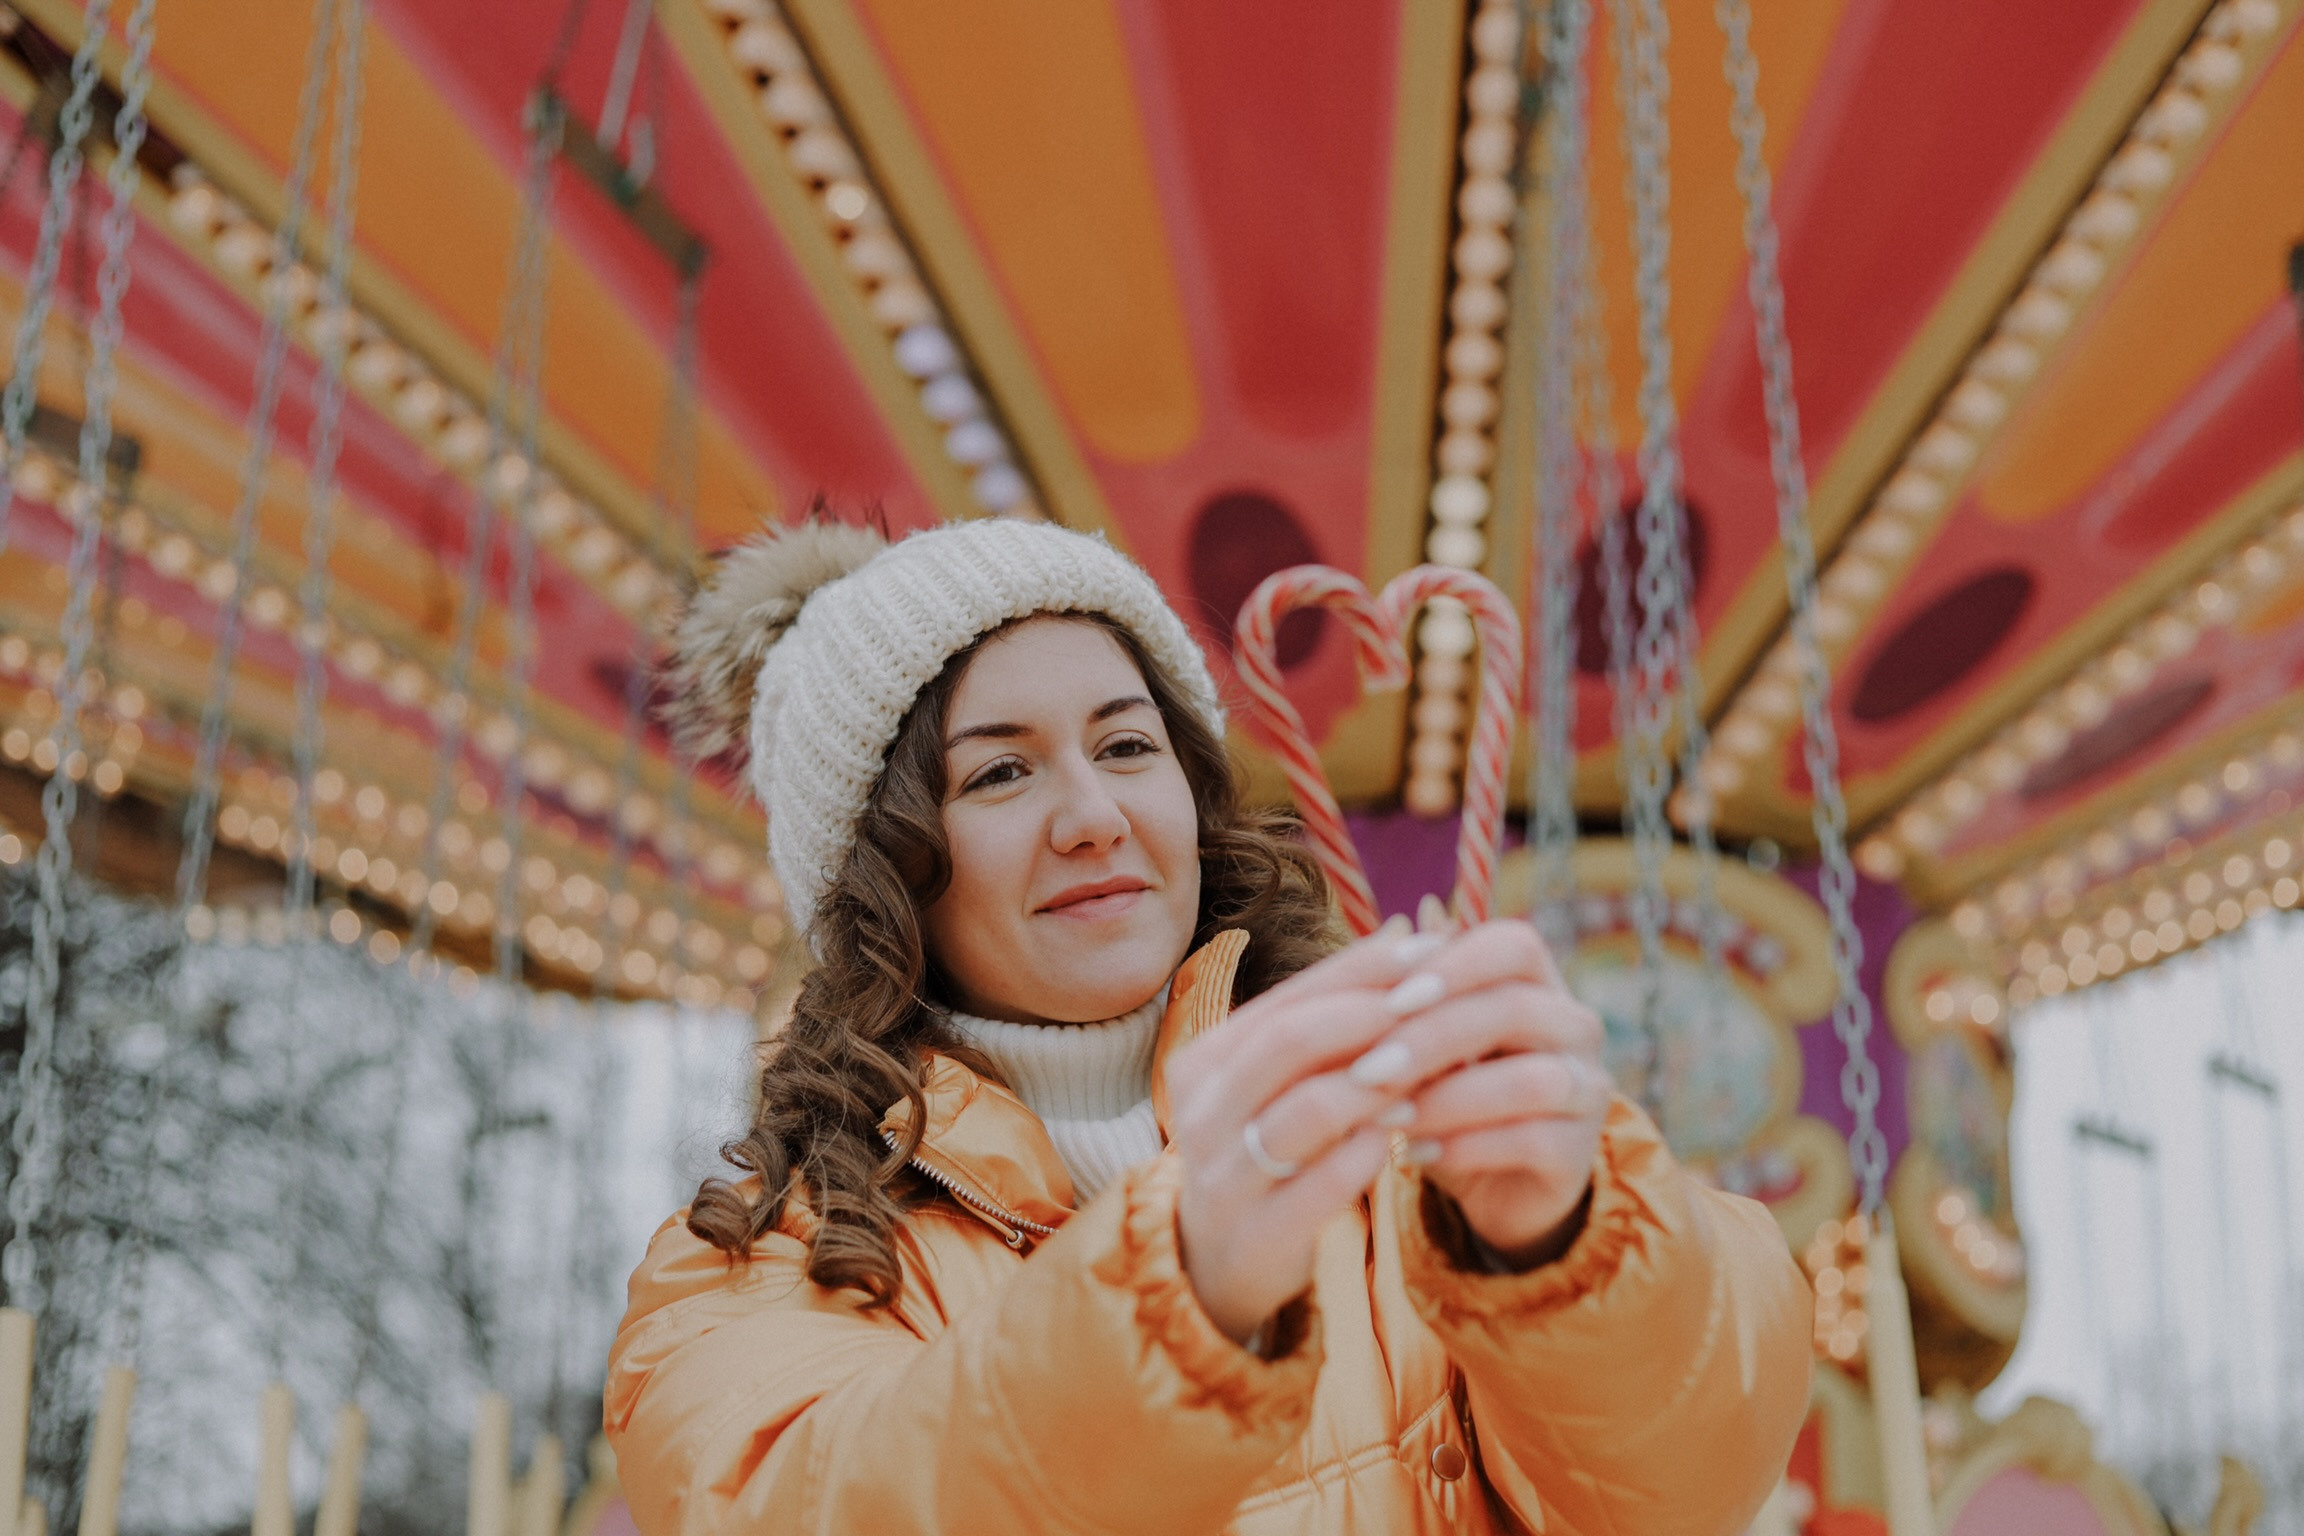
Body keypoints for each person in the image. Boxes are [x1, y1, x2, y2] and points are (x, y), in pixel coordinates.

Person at [605, 517, 1811, 1535]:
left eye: (1129, 746)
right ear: (881, 875)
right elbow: (824, 1497)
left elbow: (1696, 1473)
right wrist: (1179, 1289)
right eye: (998, 775)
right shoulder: (748, 1270)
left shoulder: (1408, 1143)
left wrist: (1564, 1250)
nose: (1092, 816)